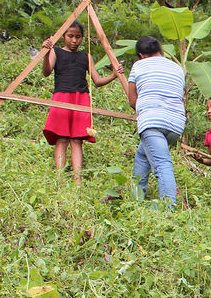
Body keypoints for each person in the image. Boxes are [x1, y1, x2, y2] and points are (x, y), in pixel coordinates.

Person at [41, 21, 123, 185]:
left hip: (81, 99)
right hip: (61, 98)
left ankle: (77, 180)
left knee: (77, 140)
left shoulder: (86, 57)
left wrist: (114, 75)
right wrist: (46, 53)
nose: (74, 40)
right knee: (61, 139)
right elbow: (46, 72)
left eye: (78, 37)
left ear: (82, 38)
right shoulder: (56, 52)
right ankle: (60, 179)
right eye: (70, 36)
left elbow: (97, 81)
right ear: (64, 36)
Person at [127, 36, 186, 206]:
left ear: (141, 55)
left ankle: (169, 209)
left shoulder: (139, 65)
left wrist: (145, 111)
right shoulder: (177, 68)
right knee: (142, 155)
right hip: (176, 125)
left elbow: (132, 100)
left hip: (152, 123)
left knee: (161, 164)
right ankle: (136, 199)